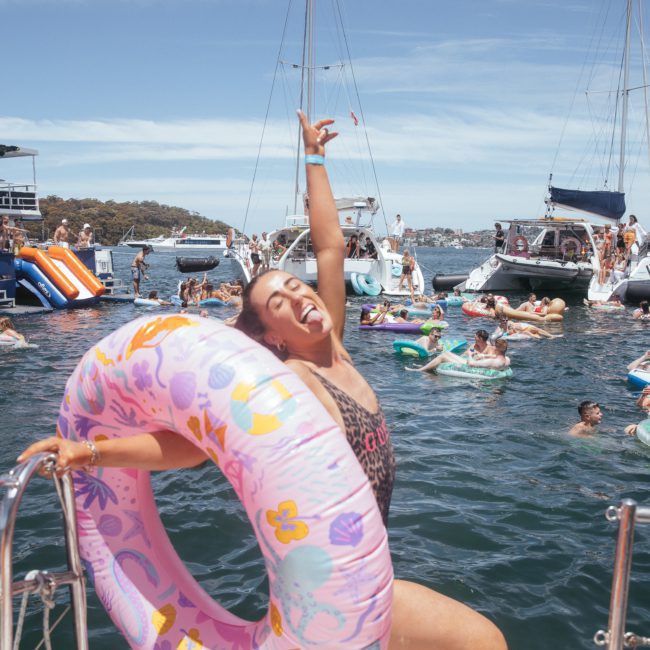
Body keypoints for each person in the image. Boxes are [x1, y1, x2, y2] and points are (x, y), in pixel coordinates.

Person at [17, 113, 507, 650]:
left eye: (298, 287)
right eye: (281, 303)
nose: (302, 297)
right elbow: (189, 449)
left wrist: (315, 158)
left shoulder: (335, 345)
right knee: (481, 641)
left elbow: (329, 249)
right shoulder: (291, 379)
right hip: (341, 588)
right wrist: (89, 453)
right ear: (273, 338)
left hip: (366, 565)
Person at [414, 337, 510, 374]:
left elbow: (470, 364)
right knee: (447, 353)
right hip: (481, 363)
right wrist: (484, 356)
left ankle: (420, 370)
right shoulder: (507, 359)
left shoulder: (492, 361)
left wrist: (470, 354)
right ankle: (426, 367)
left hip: (469, 364)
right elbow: (495, 358)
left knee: (443, 356)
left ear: (496, 349)